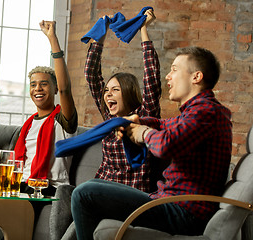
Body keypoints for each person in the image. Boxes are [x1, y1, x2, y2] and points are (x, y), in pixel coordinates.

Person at [71, 46, 232, 239]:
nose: (168, 77)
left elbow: (165, 146)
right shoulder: (196, 112)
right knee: (92, 184)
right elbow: (165, 124)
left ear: (196, 77)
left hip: (183, 211)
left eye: (174, 69)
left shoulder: (206, 112)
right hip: (169, 203)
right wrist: (139, 120)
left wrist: (143, 132)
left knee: (84, 194)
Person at [87, 9, 161, 193]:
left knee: (79, 195)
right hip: (102, 189)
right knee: (66, 192)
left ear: (127, 93)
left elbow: (151, 78)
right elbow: (91, 75)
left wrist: (143, 29)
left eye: (115, 90)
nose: (107, 94)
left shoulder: (144, 117)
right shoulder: (109, 118)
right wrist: (100, 38)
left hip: (130, 195)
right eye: (106, 91)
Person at [14, 20, 77, 197]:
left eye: (44, 84)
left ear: (55, 88)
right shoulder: (28, 125)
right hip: (22, 183)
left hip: (48, 188)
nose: (37, 89)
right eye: (33, 85)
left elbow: (66, 89)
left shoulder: (63, 121)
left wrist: (52, 39)